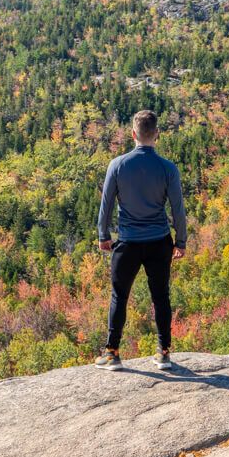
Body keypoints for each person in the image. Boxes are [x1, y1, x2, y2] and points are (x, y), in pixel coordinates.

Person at [94, 110, 187, 371]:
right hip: (159, 242)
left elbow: (106, 205)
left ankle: (112, 353)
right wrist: (180, 242)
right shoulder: (168, 168)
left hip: (128, 242)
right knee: (161, 297)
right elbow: (178, 209)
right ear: (156, 134)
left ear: (133, 134)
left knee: (119, 296)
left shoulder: (118, 165)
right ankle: (163, 353)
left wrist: (103, 235)